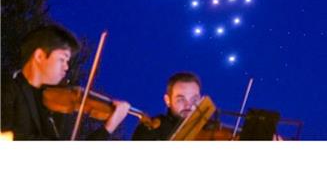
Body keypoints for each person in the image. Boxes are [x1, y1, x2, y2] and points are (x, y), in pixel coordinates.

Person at [0, 24, 131, 140]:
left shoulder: (57, 108)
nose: (67, 67)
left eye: (67, 62)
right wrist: (107, 129)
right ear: (39, 56)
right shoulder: (6, 90)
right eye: (62, 59)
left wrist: (108, 127)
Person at [132, 71, 202, 140]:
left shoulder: (210, 129)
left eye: (194, 100)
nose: (188, 106)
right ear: (167, 100)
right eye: (181, 100)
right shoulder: (150, 130)